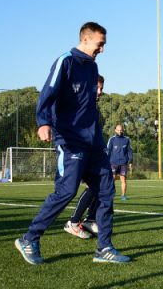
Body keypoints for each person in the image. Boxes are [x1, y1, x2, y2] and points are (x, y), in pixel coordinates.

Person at [14, 22, 129, 264]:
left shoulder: (93, 67)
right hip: (70, 141)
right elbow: (48, 92)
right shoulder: (65, 61)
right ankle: (29, 238)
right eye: (100, 44)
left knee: (106, 192)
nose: (102, 49)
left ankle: (104, 248)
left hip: (94, 143)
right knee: (66, 191)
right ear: (86, 39)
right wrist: (43, 122)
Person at [64, 75, 105, 239]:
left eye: (102, 88)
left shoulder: (92, 107)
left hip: (91, 151)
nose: (100, 92)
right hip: (77, 152)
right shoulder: (79, 104)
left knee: (100, 185)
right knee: (68, 191)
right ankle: (73, 223)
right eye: (98, 88)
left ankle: (89, 220)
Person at [107, 124, 133, 201]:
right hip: (113, 163)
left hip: (123, 163)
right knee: (112, 179)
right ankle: (109, 195)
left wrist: (130, 160)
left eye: (121, 130)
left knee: (123, 180)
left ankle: (123, 195)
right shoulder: (112, 139)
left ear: (123, 130)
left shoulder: (127, 139)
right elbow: (108, 151)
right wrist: (105, 161)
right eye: (118, 130)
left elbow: (129, 151)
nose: (120, 131)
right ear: (115, 130)